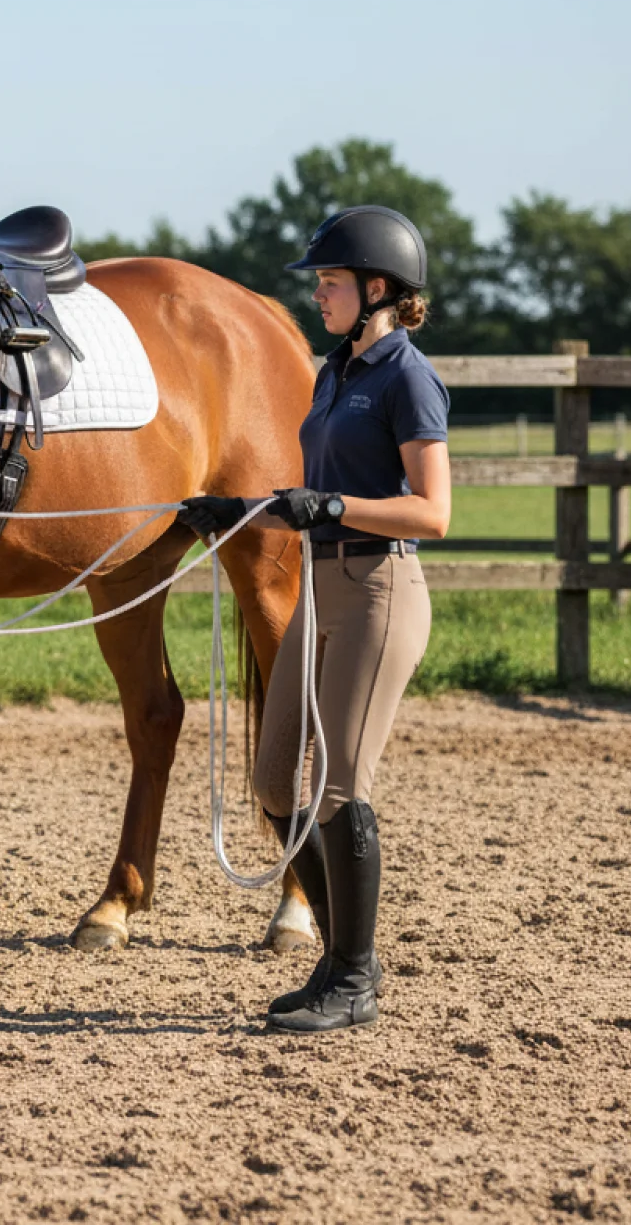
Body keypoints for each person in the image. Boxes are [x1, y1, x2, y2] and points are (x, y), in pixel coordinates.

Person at [180, 205, 451, 1033]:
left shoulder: (408, 378)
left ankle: (356, 980)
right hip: (320, 590)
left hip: (379, 595)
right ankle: (337, 958)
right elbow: (305, 503)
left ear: (379, 290)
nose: (318, 297)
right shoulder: (335, 372)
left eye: (330, 284)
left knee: (339, 788)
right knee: (271, 780)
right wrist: (235, 510)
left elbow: (434, 514)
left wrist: (334, 503)